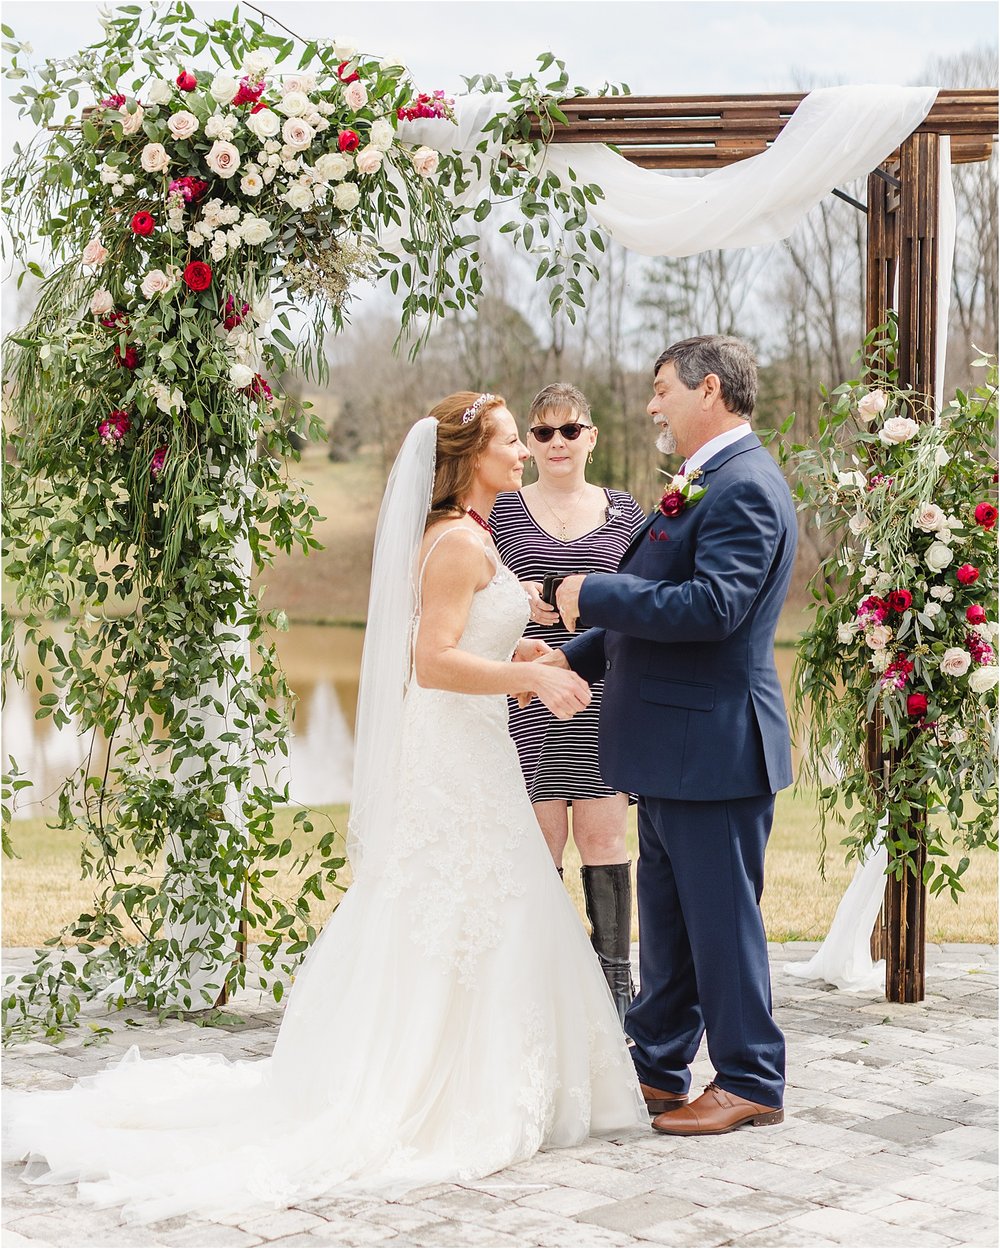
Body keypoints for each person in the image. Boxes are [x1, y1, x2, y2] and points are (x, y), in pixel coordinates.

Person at [3, 392, 646, 1223]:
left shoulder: (471, 534)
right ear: (470, 456)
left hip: (472, 747)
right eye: (509, 442)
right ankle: (438, 1079)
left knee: (486, 899)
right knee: (462, 897)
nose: (523, 452)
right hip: (455, 749)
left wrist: (517, 646)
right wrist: (534, 675)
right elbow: (433, 664)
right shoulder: (456, 540)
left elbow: (467, 641)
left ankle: (494, 1059)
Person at [551, 336, 797, 1136]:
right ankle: (656, 1064)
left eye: (662, 390)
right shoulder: (703, 481)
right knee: (670, 922)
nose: (652, 405)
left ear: (710, 390)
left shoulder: (746, 486)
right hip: (669, 750)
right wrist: (565, 658)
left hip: (715, 748)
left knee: (721, 923)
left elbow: (713, 608)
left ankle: (751, 1076)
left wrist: (596, 592)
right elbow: (655, 611)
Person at [490, 383, 645, 1026]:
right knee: (539, 839)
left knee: (604, 835)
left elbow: (643, 600)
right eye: (544, 433)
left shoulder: (627, 511)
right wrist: (514, 602)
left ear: (592, 437)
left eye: (570, 430)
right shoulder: (500, 511)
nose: (558, 443)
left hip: (606, 691)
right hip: (528, 691)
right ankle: (539, 982)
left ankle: (615, 989)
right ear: (529, 442)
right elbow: (470, 604)